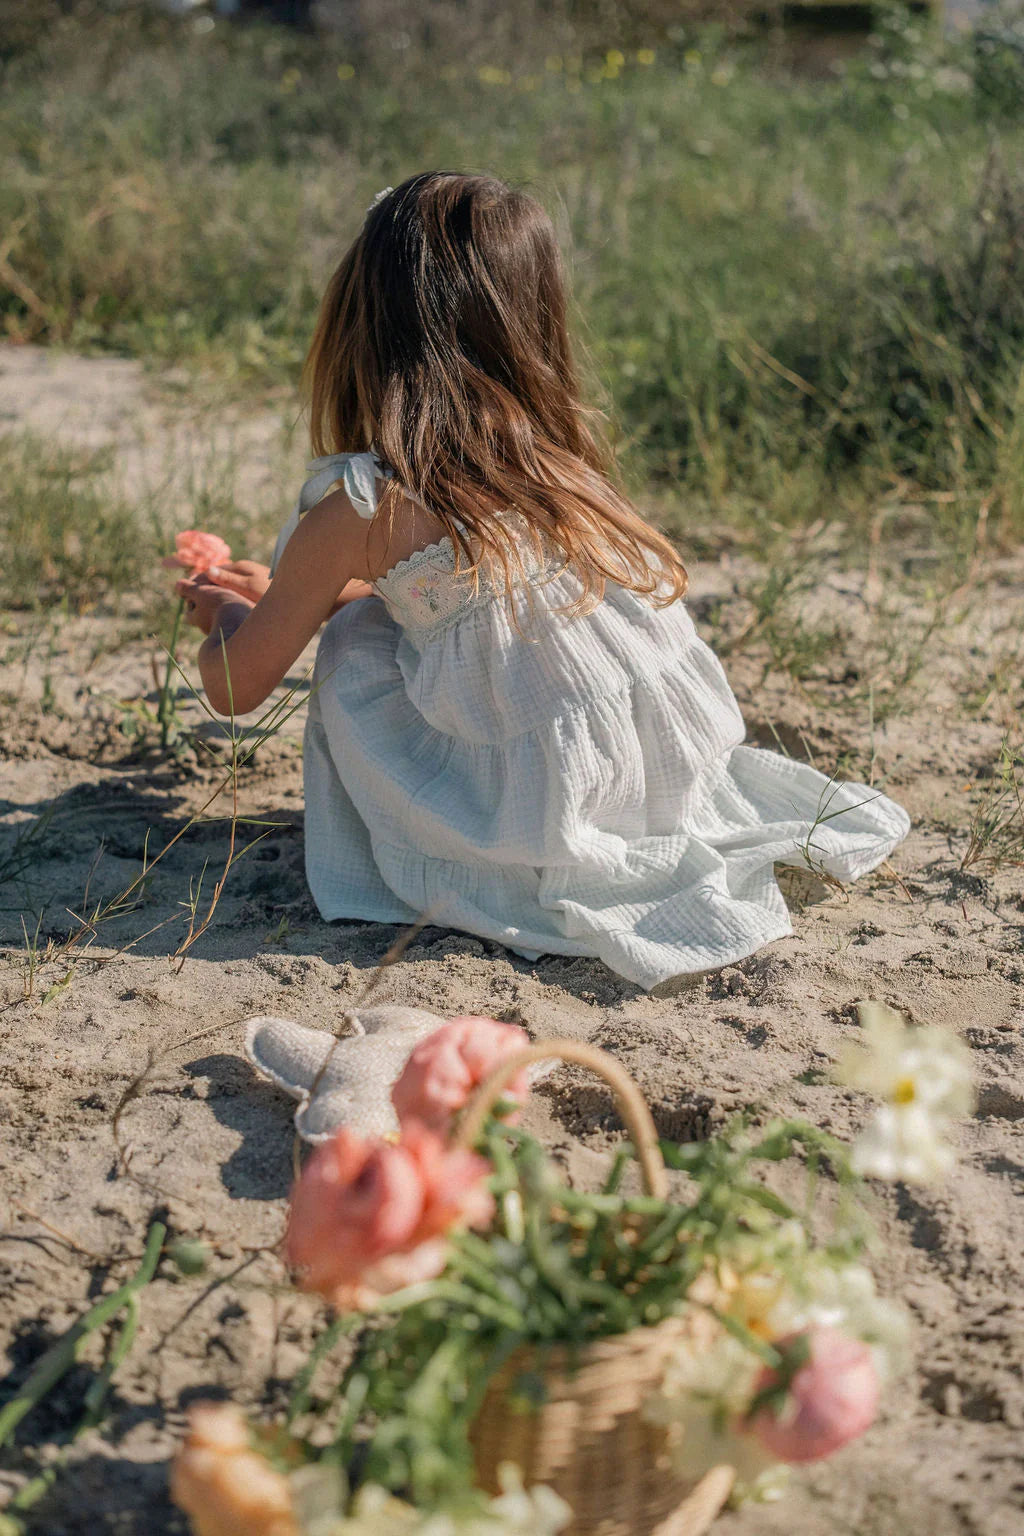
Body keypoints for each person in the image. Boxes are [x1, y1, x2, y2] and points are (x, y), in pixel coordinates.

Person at [174, 172, 909, 991]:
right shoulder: (553, 462)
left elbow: (237, 688)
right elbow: (463, 607)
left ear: (362, 324)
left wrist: (228, 615)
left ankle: (455, 833)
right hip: (656, 782)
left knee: (353, 640)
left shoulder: (361, 504)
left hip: (545, 808)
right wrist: (289, 591)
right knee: (369, 616)